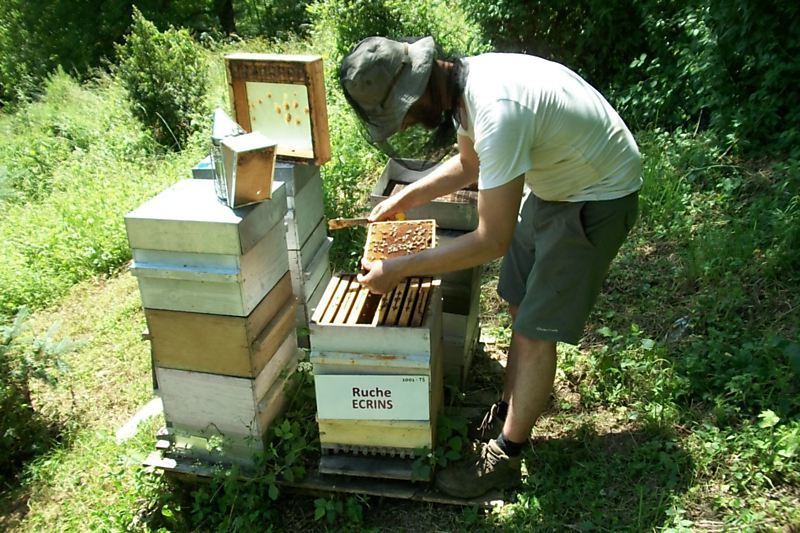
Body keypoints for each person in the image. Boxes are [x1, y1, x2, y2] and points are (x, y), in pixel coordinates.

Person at [339, 36, 641, 499]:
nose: (407, 125)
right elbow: (469, 165)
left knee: (536, 331)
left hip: (596, 192)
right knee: (519, 302)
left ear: (418, 90)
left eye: (405, 114)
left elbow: (491, 240)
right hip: (556, 181)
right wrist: (405, 198)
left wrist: (400, 269)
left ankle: (506, 455)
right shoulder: (461, 87)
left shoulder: (497, 112)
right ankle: (508, 406)